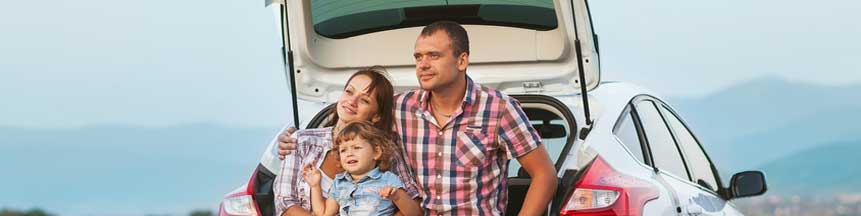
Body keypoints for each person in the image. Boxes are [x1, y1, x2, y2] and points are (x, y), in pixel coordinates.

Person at [279, 21, 557, 215]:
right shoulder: (400, 108)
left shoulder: (499, 108)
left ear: (461, 61)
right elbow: (354, 118)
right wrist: (293, 141)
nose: (422, 65)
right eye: (418, 57)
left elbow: (544, 174)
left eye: (433, 56)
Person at [273, 67, 421, 216]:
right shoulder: (302, 141)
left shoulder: (386, 150)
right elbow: (285, 202)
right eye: (349, 92)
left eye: (364, 100)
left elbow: (413, 201)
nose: (352, 101)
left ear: (376, 116)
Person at [301, 121, 422, 216]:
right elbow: (324, 213)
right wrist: (315, 186)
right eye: (343, 150)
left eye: (357, 147)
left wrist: (398, 197)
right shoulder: (339, 183)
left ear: (376, 152)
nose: (349, 153)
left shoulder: (388, 179)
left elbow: (415, 213)